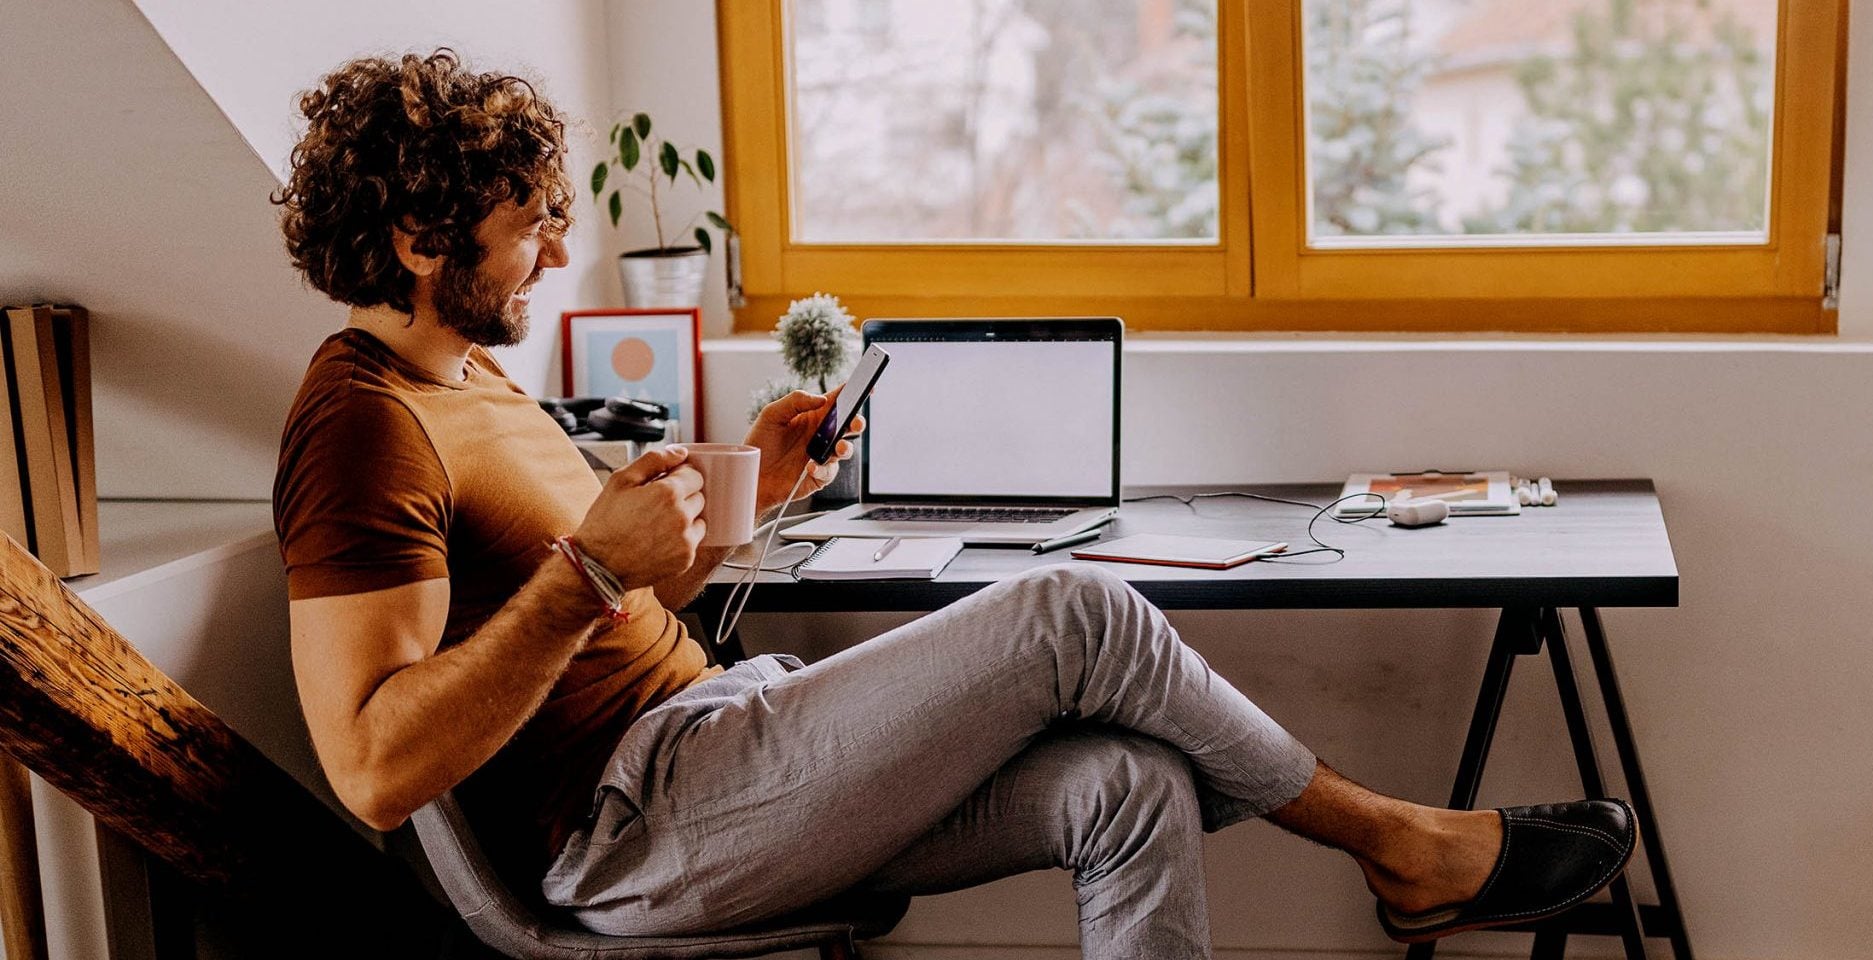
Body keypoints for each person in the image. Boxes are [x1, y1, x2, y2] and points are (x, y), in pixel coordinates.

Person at [270, 50, 1634, 957]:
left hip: (712, 734)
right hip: (635, 828)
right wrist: (585, 570)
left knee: (1129, 782)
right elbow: (378, 768)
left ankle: (1406, 854)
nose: (560, 249)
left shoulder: (471, 379)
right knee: (1075, 611)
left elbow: (603, 613)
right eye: (531, 223)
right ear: (417, 235)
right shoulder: (359, 428)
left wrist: (745, 498)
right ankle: (1399, 843)